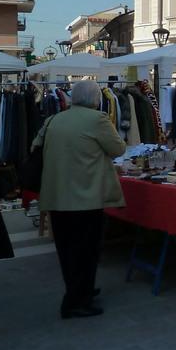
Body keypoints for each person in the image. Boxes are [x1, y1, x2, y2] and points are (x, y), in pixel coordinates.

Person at [35, 80, 127, 319]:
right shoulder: (97, 119)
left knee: (67, 250)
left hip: (57, 195)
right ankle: (76, 301)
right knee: (86, 249)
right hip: (85, 197)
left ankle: (80, 290)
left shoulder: (54, 119)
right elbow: (118, 149)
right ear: (96, 99)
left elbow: (35, 146)